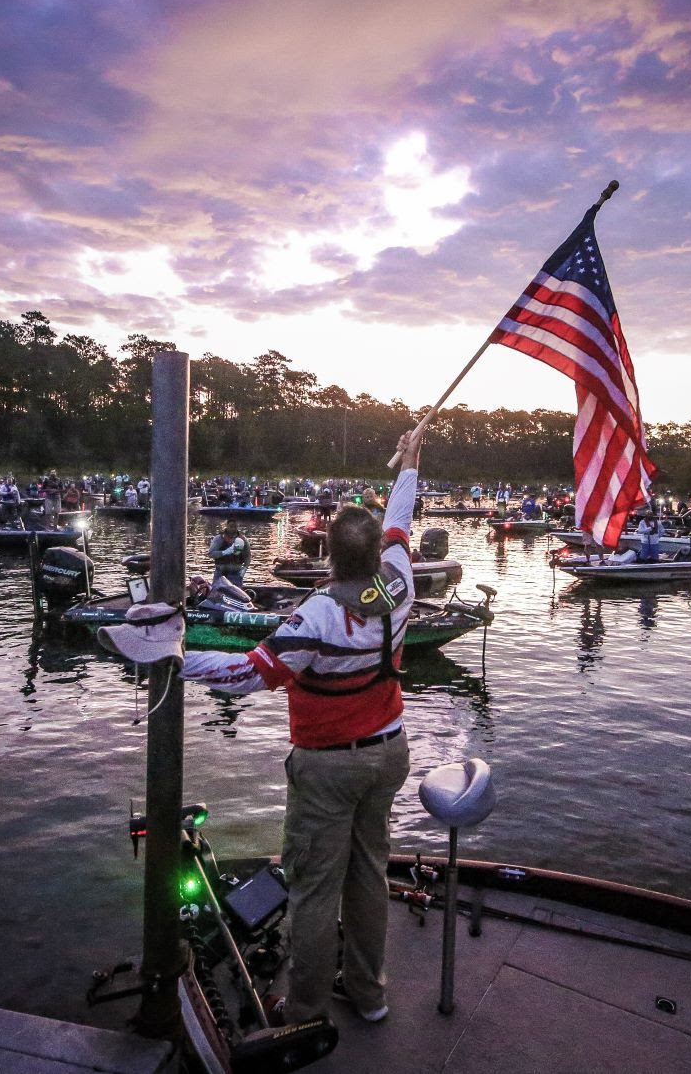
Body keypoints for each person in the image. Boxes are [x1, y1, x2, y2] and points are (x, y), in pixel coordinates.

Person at [159, 430, 422, 1027]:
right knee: (369, 875)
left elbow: (248, 674)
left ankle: (305, 1011)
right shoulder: (399, 585)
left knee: (314, 888)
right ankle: (370, 995)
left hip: (329, 767)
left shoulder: (317, 616)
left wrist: (174, 656)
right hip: (388, 755)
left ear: (328, 555)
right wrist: (410, 463)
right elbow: (401, 521)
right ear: (377, 552)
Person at [207, 520, 249, 587]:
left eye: (235, 527)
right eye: (231, 526)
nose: (233, 529)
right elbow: (211, 554)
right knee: (217, 592)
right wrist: (225, 552)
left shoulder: (243, 540)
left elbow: (247, 557)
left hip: (236, 575)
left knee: (236, 593)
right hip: (220, 574)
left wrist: (243, 571)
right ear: (227, 526)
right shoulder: (219, 539)